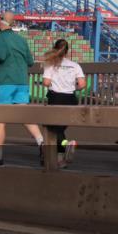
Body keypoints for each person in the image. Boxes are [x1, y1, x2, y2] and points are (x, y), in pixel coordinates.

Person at [0, 11, 43, 166]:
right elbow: (30, 62)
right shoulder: (21, 40)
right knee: (24, 116)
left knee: (1, 120)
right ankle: (42, 143)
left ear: (1, 22)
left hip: (6, 82)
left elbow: (1, 56)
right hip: (22, 82)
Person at [42, 39, 85, 168]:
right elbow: (82, 84)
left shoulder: (50, 64)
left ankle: (67, 145)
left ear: (55, 49)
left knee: (53, 129)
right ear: (67, 51)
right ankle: (60, 160)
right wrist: (72, 87)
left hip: (56, 98)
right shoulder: (75, 65)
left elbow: (46, 83)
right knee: (59, 130)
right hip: (71, 99)